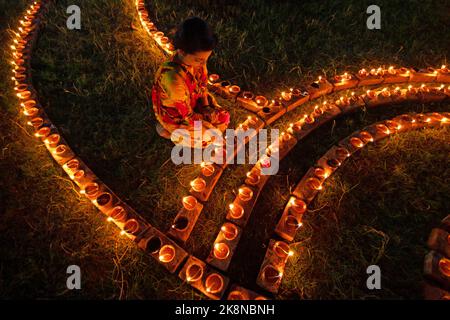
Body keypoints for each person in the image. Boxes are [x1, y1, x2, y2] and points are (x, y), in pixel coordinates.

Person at [151, 17, 230, 148]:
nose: (203, 64)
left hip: (195, 101)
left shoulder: (196, 62)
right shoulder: (173, 78)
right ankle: (169, 132)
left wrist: (206, 107)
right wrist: (209, 128)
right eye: (199, 60)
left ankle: (187, 134)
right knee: (207, 139)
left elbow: (203, 86)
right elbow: (187, 116)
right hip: (178, 114)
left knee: (224, 117)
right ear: (181, 51)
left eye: (206, 59)